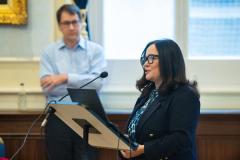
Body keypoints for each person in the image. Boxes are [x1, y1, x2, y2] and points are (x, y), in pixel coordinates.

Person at [39, 4, 107, 160]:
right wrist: (83, 82)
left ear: (81, 23)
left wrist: (64, 78)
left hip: (88, 117)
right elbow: (48, 88)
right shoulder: (49, 52)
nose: (71, 27)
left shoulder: (96, 51)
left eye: (75, 22)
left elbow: (97, 83)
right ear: (59, 26)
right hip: (58, 116)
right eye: (66, 23)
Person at [120, 39, 200, 160]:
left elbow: (181, 139)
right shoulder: (149, 92)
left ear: (168, 61)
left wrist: (143, 149)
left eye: (151, 58)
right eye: (145, 59)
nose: (145, 64)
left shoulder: (185, 95)